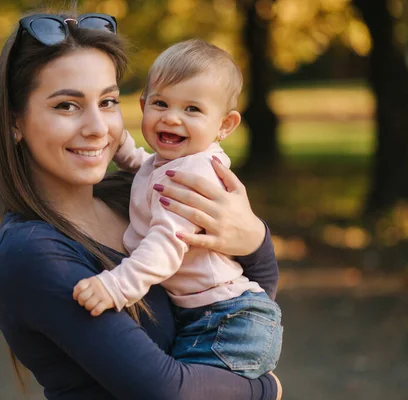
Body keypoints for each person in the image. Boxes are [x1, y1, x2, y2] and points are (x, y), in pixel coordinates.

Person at [0, 11, 282, 400]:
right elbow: (164, 391)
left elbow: (251, 297)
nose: (98, 127)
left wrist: (254, 240)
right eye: (66, 106)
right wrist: (265, 390)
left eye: (107, 101)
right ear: (15, 122)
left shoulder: (132, 195)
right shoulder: (33, 252)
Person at [73, 39, 283, 380]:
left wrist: (116, 286)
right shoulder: (174, 163)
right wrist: (120, 144)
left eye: (192, 110)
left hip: (228, 319)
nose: (171, 118)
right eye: (160, 103)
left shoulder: (195, 174)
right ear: (143, 105)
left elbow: (166, 245)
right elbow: (147, 170)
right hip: (213, 313)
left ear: (225, 125)